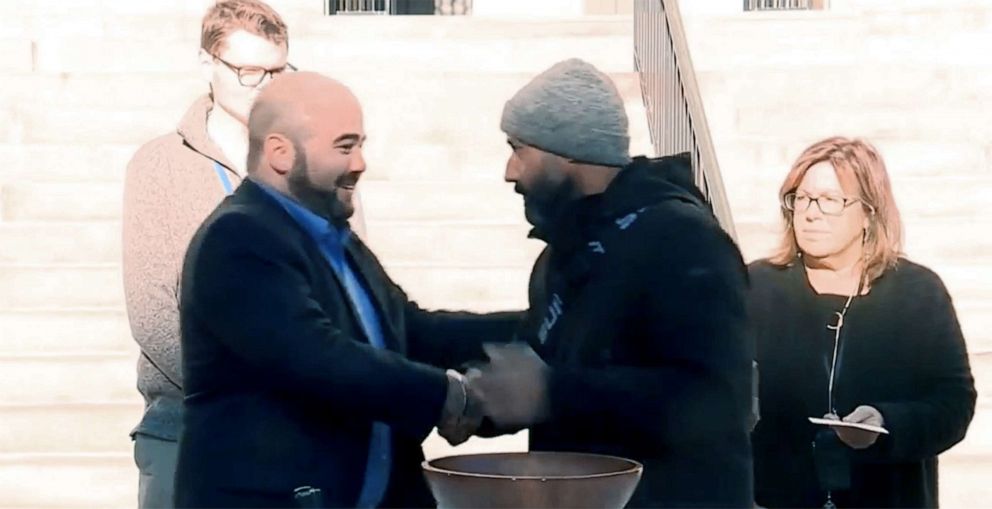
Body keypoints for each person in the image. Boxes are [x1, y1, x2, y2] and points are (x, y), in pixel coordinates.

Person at [174, 71, 519, 508]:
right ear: (280, 152)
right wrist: (449, 396)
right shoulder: (237, 239)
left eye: (361, 144)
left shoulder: (335, 237)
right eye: (345, 146)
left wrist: (534, 326)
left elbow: (408, 330)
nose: (359, 163)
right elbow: (317, 357)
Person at [463, 58, 755, 507]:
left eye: (519, 148)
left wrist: (552, 393)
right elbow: (542, 367)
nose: (510, 172)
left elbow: (715, 401)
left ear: (569, 151)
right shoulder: (560, 255)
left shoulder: (683, 240)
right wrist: (484, 404)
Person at [122, 2, 367, 506]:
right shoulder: (160, 166)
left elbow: (352, 289)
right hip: (190, 431)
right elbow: (152, 313)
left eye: (278, 71)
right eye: (249, 71)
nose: (265, 87)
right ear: (206, 62)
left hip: (304, 435)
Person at [748, 137, 977, 508]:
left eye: (830, 200)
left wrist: (886, 424)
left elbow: (953, 405)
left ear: (869, 211)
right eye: (801, 198)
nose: (810, 213)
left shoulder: (917, 293)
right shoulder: (756, 287)